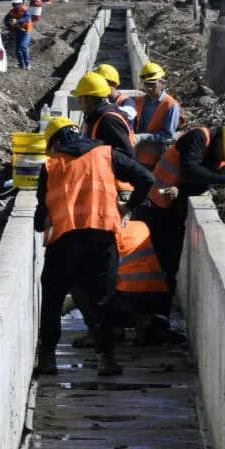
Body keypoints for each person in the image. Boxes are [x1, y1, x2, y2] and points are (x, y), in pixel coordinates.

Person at [34, 117, 156, 376]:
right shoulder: (107, 154)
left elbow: (38, 219)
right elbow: (146, 178)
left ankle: (47, 359)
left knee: (53, 298)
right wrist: (128, 207)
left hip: (65, 242)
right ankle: (106, 359)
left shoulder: (51, 165)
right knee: (103, 301)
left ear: (55, 143)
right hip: (102, 241)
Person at [141, 123, 225, 292]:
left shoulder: (220, 156)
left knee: (170, 261)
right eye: (224, 153)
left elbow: (201, 184)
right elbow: (190, 170)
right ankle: (150, 299)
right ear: (220, 140)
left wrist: (181, 190)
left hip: (174, 208)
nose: (223, 158)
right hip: (157, 202)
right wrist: (221, 179)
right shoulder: (198, 138)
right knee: (155, 258)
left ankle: (161, 300)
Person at [72, 72, 136, 161]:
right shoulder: (94, 116)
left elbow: (126, 157)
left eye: (81, 97)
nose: (78, 101)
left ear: (90, 99)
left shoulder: (109, 120)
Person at [133, 62, 181, 169]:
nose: (149, 88)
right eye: (146, 84)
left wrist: (142, 137)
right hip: (137, 155)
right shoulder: (140, 101)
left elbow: (168, 135)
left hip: (157, 160)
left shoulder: (170, 105)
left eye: (152, 84)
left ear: (162, 83)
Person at [4, 0, 33, 70]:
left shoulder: (25, 10)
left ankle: (27, 64)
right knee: (17, 49)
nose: (14, 6)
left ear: (20, 4)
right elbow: (6, 18)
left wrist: (17, 21)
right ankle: (21, 64)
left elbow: (27, 18)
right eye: (13, 4)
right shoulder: (12, 11)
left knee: (23, 46)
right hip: (18, 30)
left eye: (15, 4)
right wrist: (8, 25)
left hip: (26, 30)